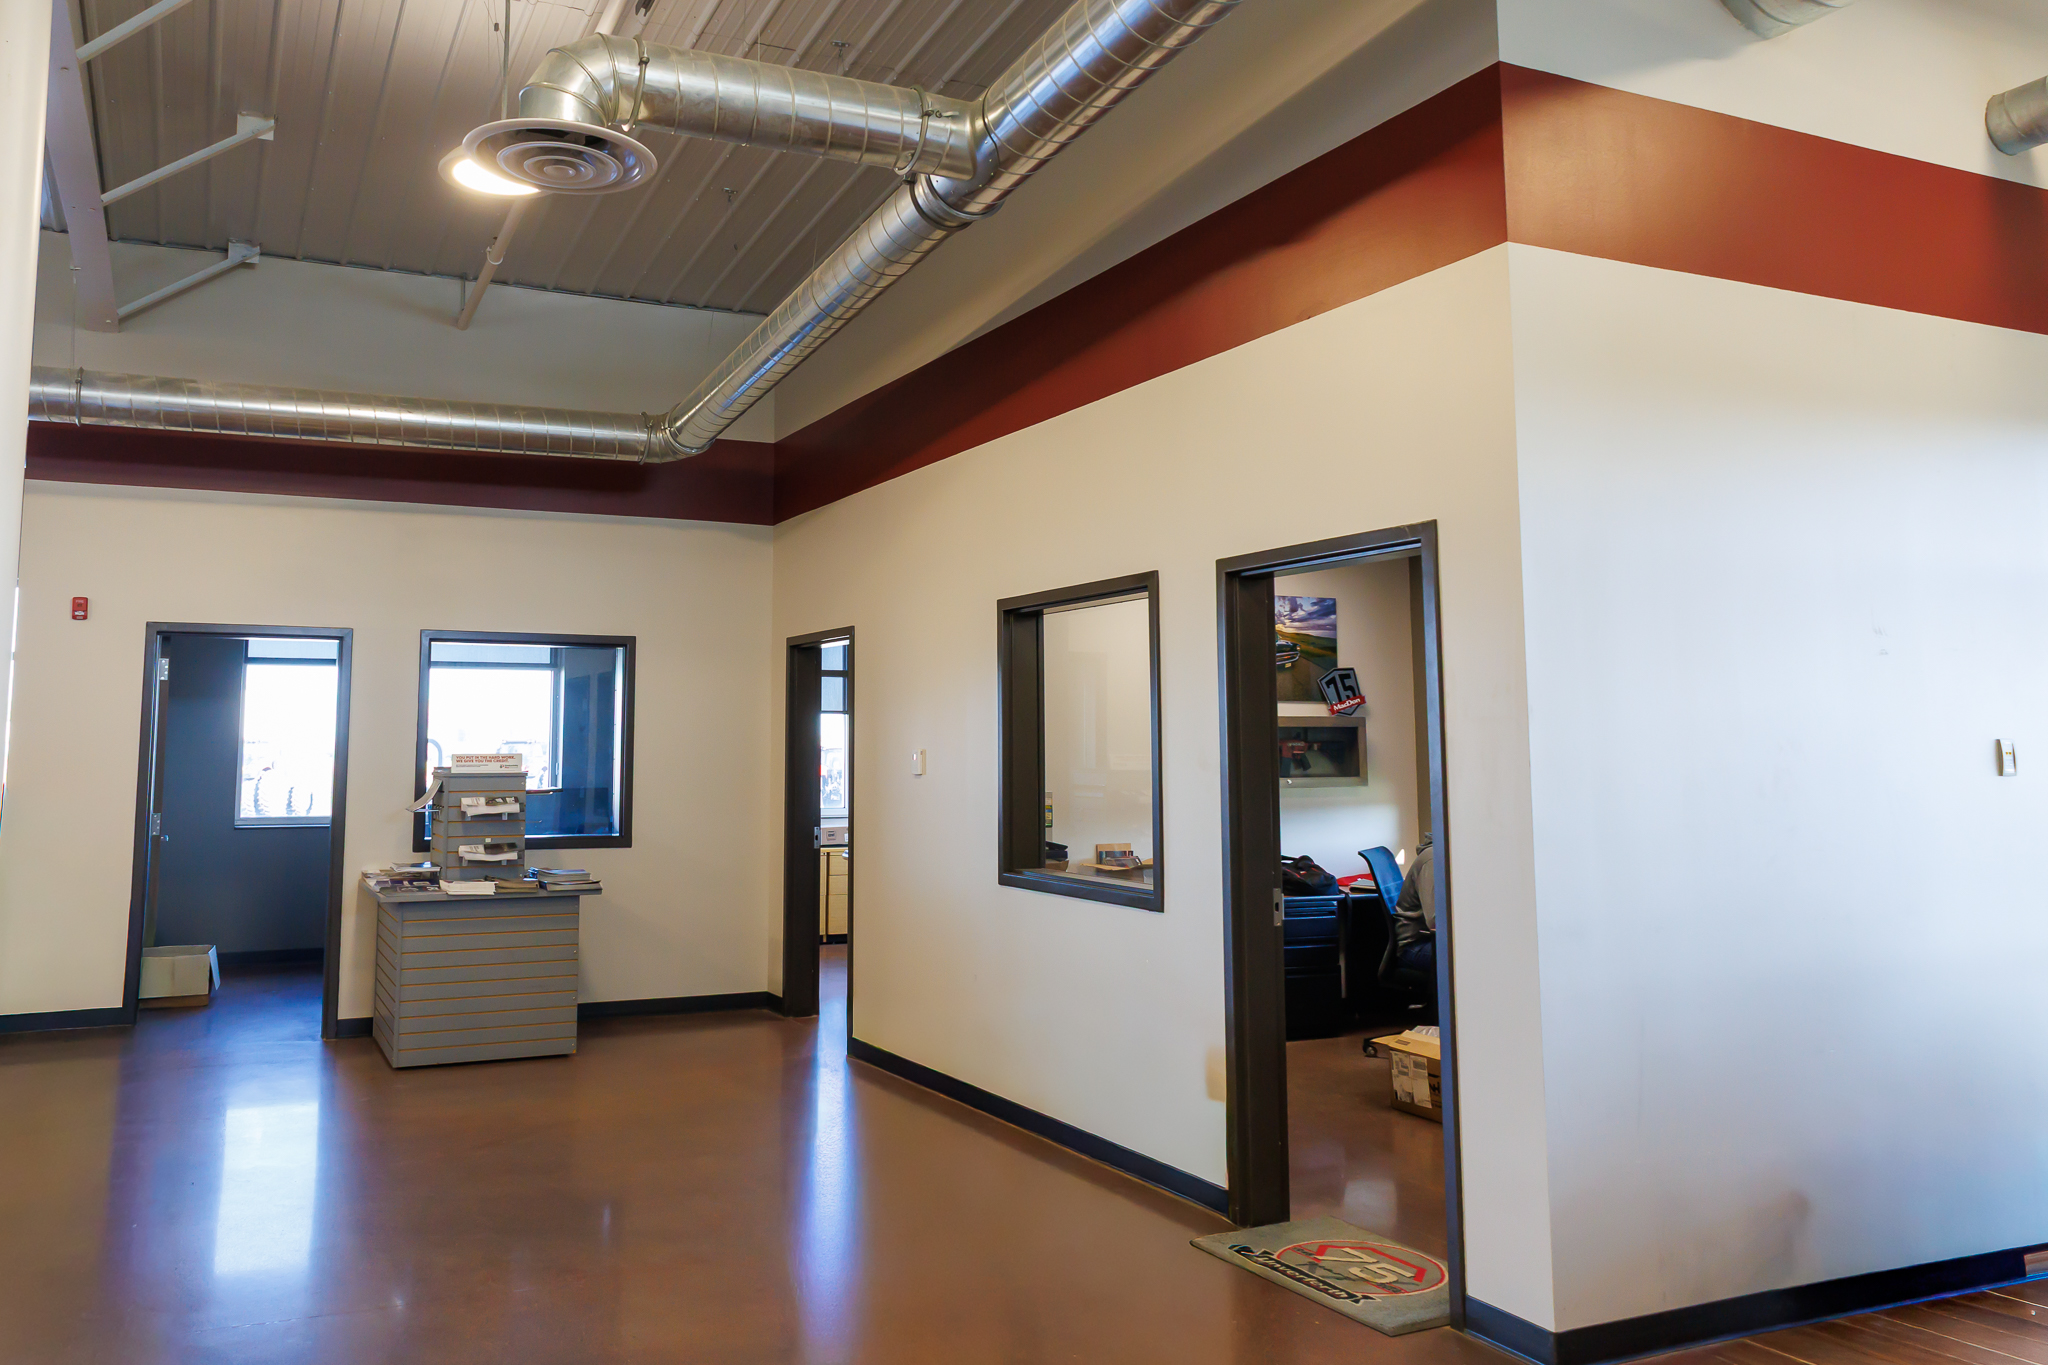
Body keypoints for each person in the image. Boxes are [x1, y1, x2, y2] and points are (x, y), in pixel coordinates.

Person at [1389, 832, 1436, 976]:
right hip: (1415, 946)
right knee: (1475, 955)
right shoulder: (1432, 859)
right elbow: (1435, 922)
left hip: (1434, 940)